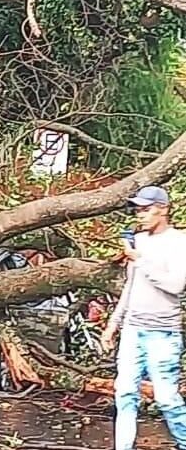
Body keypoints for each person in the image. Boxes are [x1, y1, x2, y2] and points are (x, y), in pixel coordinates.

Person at [100, 185, 186, 450]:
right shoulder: (141, 240)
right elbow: (131, 286)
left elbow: (176, 285)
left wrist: (141, 259)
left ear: (163, 209)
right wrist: (113, 324)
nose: (140, 215)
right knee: (124, 393)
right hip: (132, 329)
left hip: (163, 332)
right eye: (137, 210)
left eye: (146, 210)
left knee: (166, 398)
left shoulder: (179, 242)